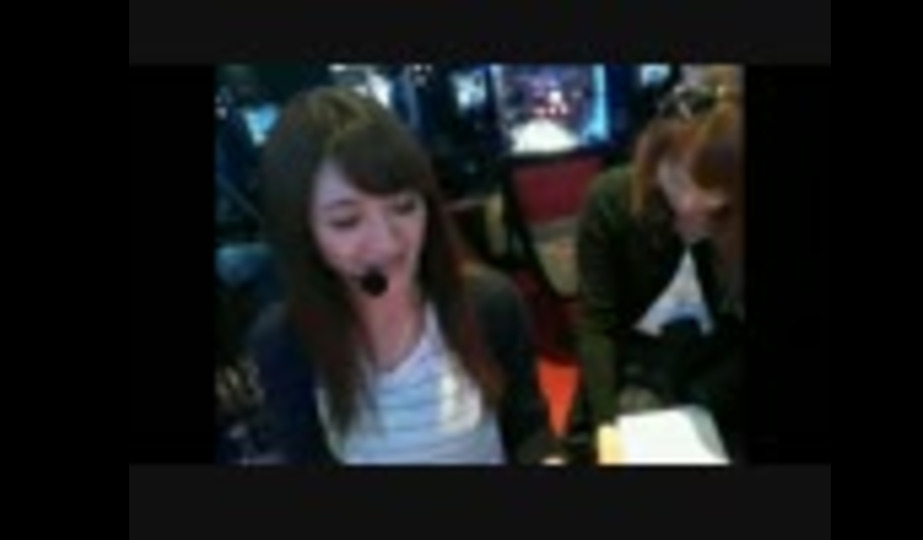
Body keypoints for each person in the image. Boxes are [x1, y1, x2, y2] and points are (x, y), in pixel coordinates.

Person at [241, 87, 564, 465]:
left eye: (404, 207)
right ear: (303, 231)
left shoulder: (489, 304)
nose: (387, 242)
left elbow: (528, 430)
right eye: (347, 221)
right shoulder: (286, 341)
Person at [568, 67, 744, 464]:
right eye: (678, 180)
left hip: (720, 366)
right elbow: (597, 326)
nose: (691, 203)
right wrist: (605, 426)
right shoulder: (610, 200)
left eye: (711, 191)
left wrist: (706, 395)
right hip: (635, 362)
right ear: (653, 155)